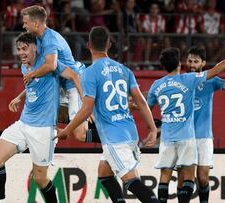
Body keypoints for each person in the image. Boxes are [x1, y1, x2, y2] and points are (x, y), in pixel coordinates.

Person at [55, 26, 159, 203]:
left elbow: (87, 109)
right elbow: (141, 101)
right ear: (109, 45)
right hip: (129, 131)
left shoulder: (89, 73)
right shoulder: (125, 70)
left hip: (113, 138)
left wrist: (67, 130)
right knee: (104, 173)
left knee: (131, 181)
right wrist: (153, 129)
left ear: (88, 45)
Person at [147, 47, 225, 203]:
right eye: (189, 60)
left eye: (196, 61)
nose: (192, 64)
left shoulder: (209, 80)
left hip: (202, 136)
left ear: (203, 62)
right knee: (182, 178)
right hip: (185, 136)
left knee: (202, 177)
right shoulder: (185, 80)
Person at [0, 32, 59, 202]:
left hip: (43, 129)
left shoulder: (48, 64)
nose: (20, 52)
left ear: (35, 48)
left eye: (24, 49)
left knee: (40, 179)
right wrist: (19, 97)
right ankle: (0, 200)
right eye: (18, 49)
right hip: (24, 123)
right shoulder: (24, 66)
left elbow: (67, 73)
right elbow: (32, 84)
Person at [20, 5, 101, 144]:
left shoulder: (49, 40)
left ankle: (117, 138)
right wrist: (20, 97)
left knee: (80, 135)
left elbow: (51, 65)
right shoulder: (39, 39)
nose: (23, 26)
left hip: (74, 84)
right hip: (64, 84)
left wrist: (86, 104)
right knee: (43, 108)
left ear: (36, 23)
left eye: (26, 22)